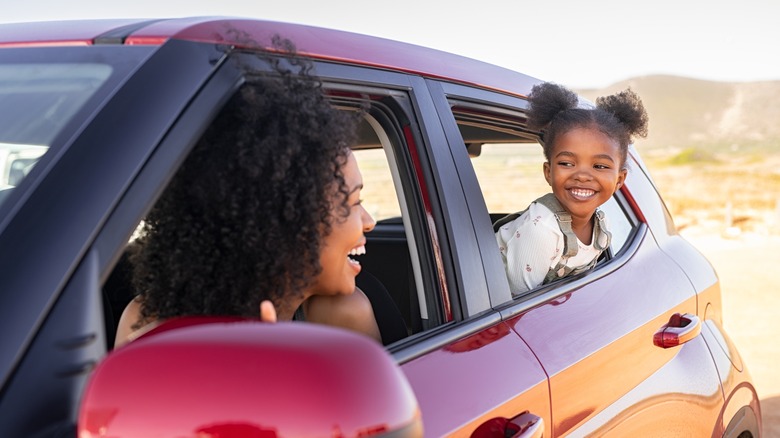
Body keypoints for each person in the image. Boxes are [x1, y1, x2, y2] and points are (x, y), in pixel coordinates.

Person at [115, 46, 380, 347]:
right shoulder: (149, 323)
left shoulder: (343, 316)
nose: (370, 221)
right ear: (285, 222)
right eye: (354, 201)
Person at [495, 82, 648, 294]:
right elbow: (518, 309)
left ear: (620, 180)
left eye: (599, 166)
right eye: (567, 163)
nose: (582, 176)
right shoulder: (541, 231)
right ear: (548, 172)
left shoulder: (602, 225)